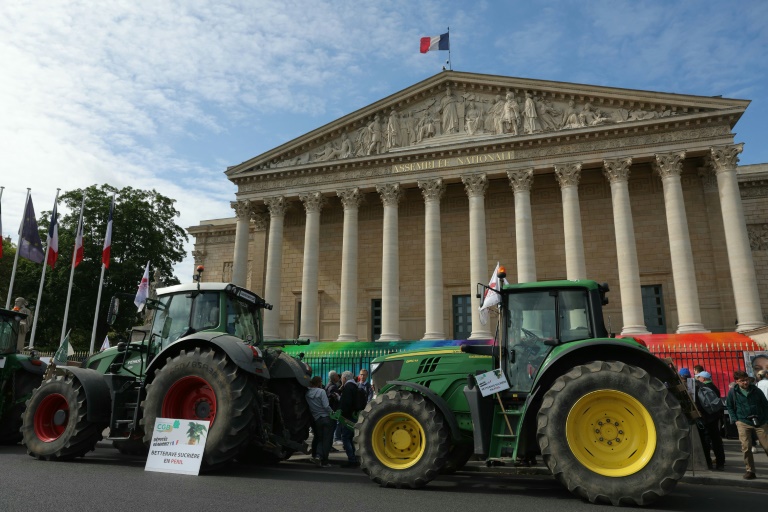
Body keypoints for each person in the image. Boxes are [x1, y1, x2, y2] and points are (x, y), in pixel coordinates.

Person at [725, 370, 768, 479]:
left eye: (746, 380)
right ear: (737, 381)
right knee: (746, 447)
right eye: (742, 381)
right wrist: (736, 420)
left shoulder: (756, 390)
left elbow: (765, 404)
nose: (745, 382)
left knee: (767, 446)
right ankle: (750, 470)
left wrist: (765, 418)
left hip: (760, 421)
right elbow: (729, 406)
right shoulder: (733, 392)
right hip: (743, 421)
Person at [694, 370, 725, 470]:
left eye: (698, 377)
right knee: (716, 440)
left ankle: (708, 463)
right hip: (715, 416)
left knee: (705, 440)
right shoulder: (715, 388)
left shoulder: (700, 388)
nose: (698, 379)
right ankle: (720, 463)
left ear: (703, 378)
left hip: (705, 417)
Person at [305, 376, 334, 468]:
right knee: (326, 440)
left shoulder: (307, 393)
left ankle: (318, 456)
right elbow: (326, 406)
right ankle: (324, 460)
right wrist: (332, 412)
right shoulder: (321, 392)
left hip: (317, 418)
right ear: (319, 382)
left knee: (320, 439)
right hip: (326, 417)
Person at [338, 370, 360, 467]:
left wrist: (342, 413)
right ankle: (354, 458)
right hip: (354, 415)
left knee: (345, 437)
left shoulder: (348, 387)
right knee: (350, 438)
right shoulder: (355, 386)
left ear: (344, 378)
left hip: (348, 416)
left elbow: (346, 403)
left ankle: (352, 460)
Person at [325, 370, 343, 444]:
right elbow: (333, 397)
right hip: (333, 410)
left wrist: (339, 390)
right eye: (337, 376)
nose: (338, 377)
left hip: (331, 409)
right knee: (332, 427)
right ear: (334, 377)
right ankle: (330, 444)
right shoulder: (332, 386)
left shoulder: (330, 384)